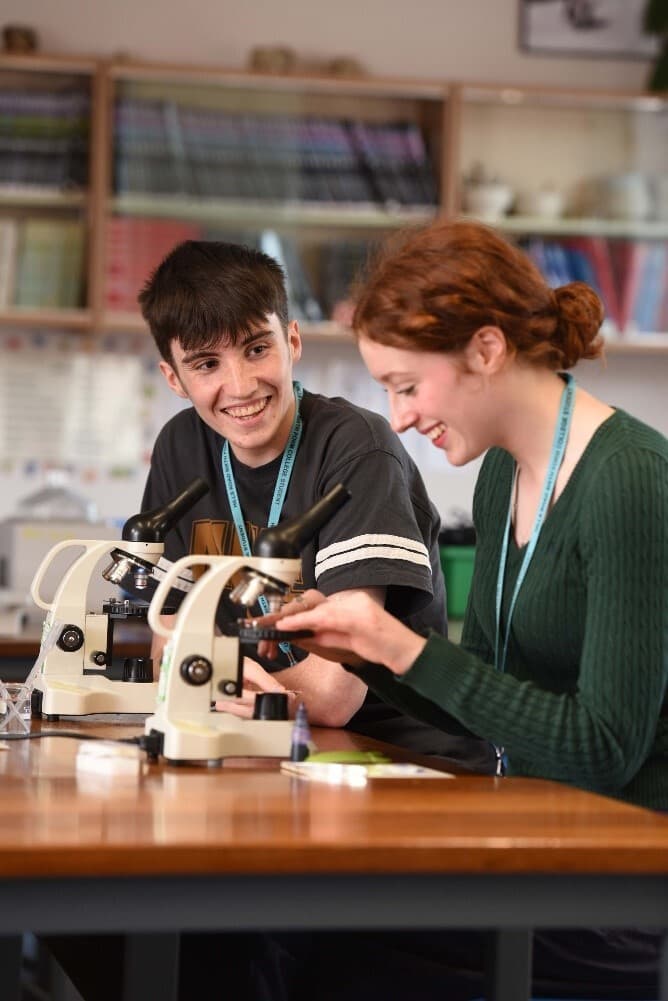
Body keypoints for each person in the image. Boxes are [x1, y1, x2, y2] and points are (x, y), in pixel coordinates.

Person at [257, 219, 667, 999]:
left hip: (623, 881)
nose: (400, 417)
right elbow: (488, 704)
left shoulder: (629, 481)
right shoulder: (499, 475)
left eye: (407, 386)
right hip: (537, 844)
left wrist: (405, 649)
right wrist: (360, 648)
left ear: (486, 349)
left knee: (312, 935)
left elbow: (606, 748)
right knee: (284, 917)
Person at [136, 238, 494, 771]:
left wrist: (214, 676)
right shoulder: (180, 446)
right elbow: (168, 647)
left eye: (257, 349)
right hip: (261, 740)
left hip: (394, 756)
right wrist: (220, 680)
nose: (240, 385)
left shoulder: (357, 446)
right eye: (207, 363)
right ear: (174, 379)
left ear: (292, 341)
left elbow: (332, 696)